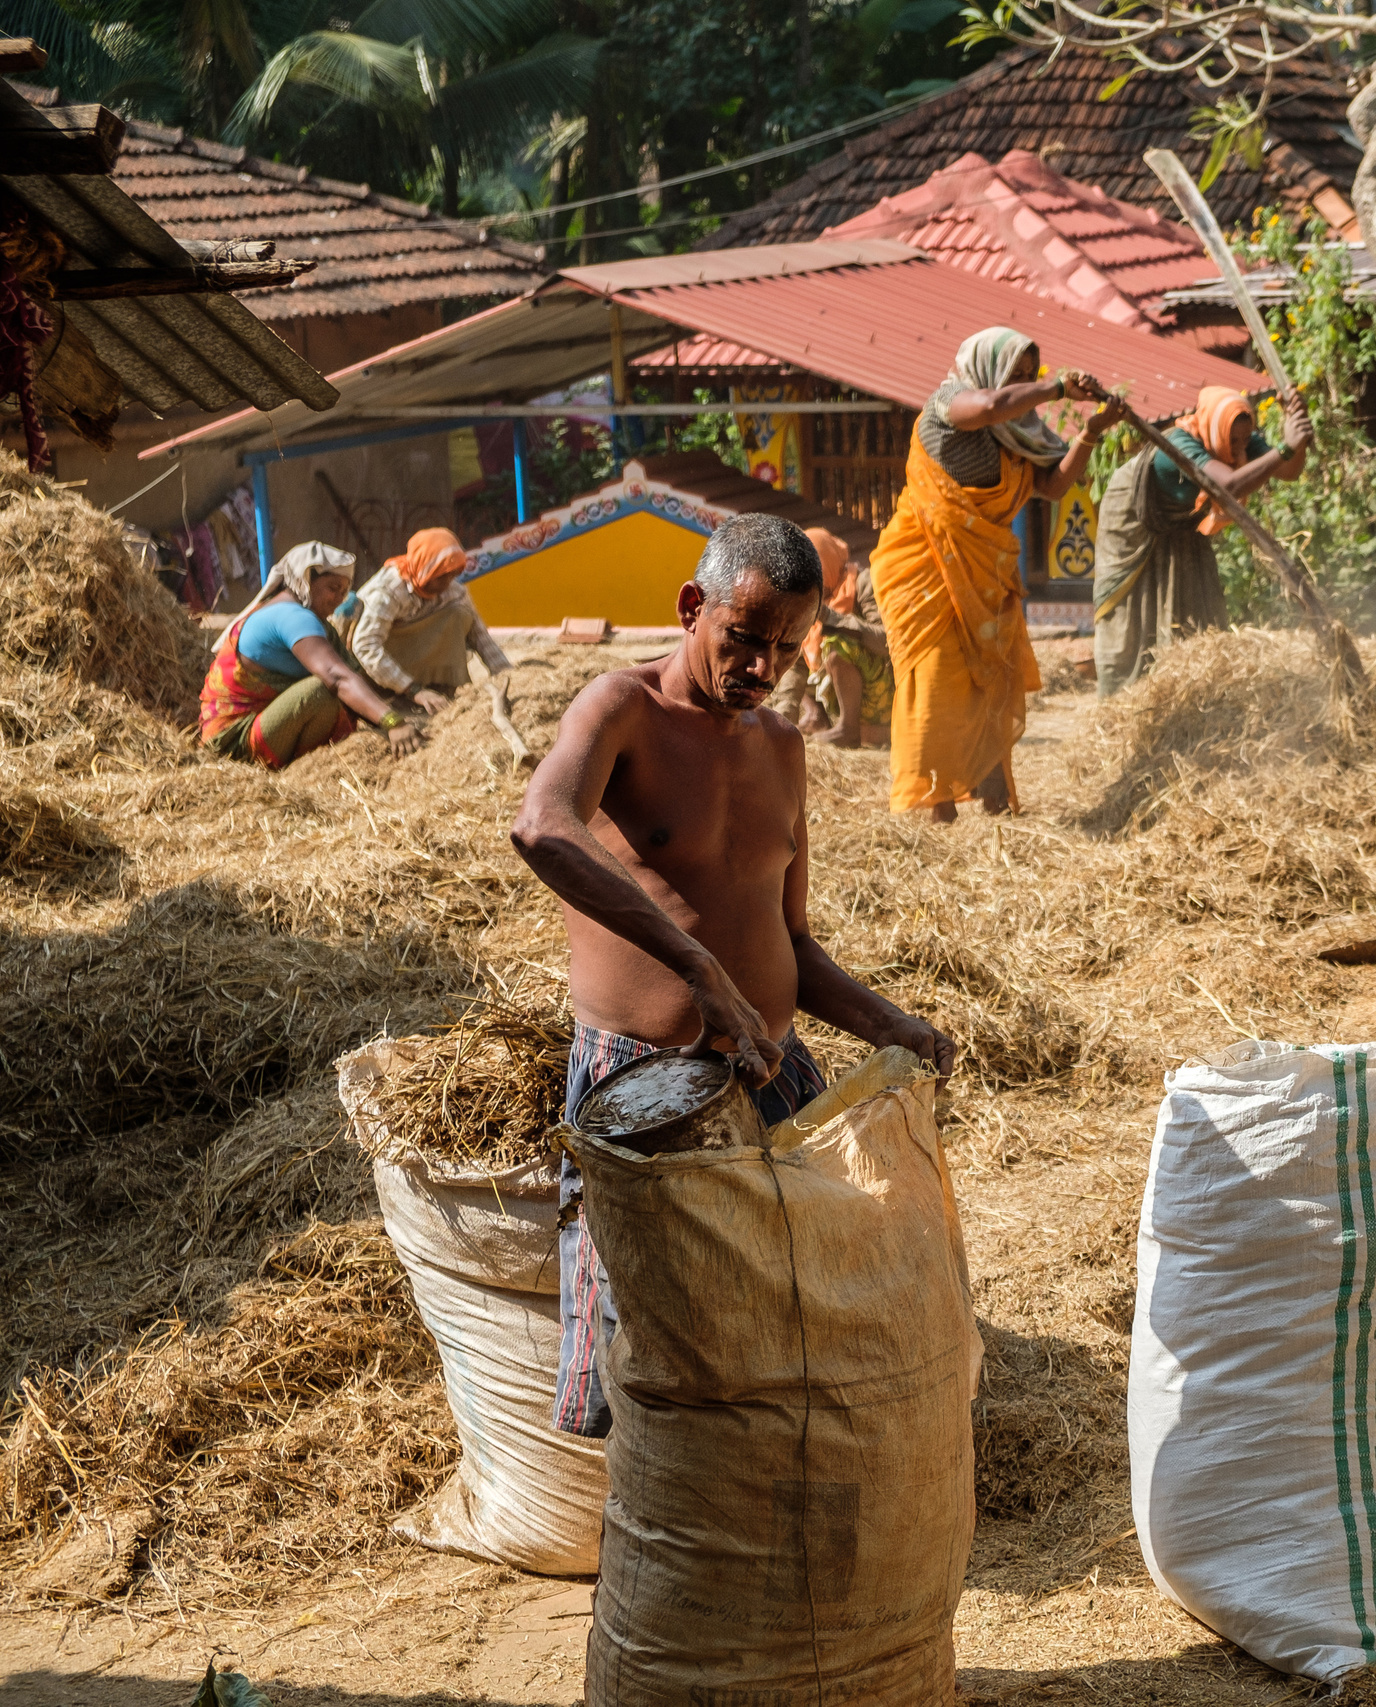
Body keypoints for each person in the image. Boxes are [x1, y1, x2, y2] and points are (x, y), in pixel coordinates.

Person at [507, 512, 958, 1437]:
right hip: (642, 1080)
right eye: (742, 639)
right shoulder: (621, 709)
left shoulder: (782, 748)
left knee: (820, 1296)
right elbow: (542, 825)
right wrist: (698, 969)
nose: (761, 667)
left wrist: (886, 1023)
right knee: (630, 1358)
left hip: (772, 1066)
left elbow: (793, 940)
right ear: (691, 608)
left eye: (786, 649)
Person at [870, 327, 1119, 819]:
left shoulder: (1023, 432)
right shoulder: (948, 404)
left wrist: (1091, 431)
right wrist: (1056, 388)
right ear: (987, 372)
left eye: (1030, 375)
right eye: (1014, 376)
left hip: (985, 574)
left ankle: (994, 794)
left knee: (989, 680)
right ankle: (935, 807)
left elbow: (1052, 485)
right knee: (937, 677)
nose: (1022, 386)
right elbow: (984, 409)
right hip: (924, 569)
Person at [1092, 384, 1310, 699]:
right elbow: (1228, 486)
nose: (1238, 450)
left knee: (1195, 604)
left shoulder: (1242, 436)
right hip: (1133, 524)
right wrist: (1286, 448)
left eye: (1245, 441)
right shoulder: (1177, 445)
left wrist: (1298, 435)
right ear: (1213, 428)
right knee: (1130, 620)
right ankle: (1120, 699)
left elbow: (1288, 470)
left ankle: (1191, 694)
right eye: (1232, 441)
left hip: (1183, 527)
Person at [198, 540, 424, 768]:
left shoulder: (317, 624)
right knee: (320, 692)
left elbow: (355, 678)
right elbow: (337, 677)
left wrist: (396, 711)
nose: (338, 599)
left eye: (344, 591)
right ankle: (298, 769)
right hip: (235, 742)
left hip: (267, 726)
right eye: (332, 588)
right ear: (306, 581)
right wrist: (393, 722)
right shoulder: (292, 617)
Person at [343, 526, 511, 712]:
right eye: (441, 577)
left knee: (460, 614)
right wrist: (413, 690)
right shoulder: (388, 591)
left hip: (411, 656)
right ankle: (393, 694)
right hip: (373, 669)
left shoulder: (452, 590)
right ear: (425, 568)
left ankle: (443, 686)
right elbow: (365, 645)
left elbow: (480, 635)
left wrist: (506, 674)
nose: (447, 583)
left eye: (452, 575)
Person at [797, 525, 894, 749]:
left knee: (835, 643)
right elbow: (795, 665)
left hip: (880, 691)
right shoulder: (815, 596)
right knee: (792, 642)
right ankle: (817, 716)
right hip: (838, 694)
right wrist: (783, 714)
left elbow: (887, 641)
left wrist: (832, 618)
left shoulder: (863, 582)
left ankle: (847, 729)